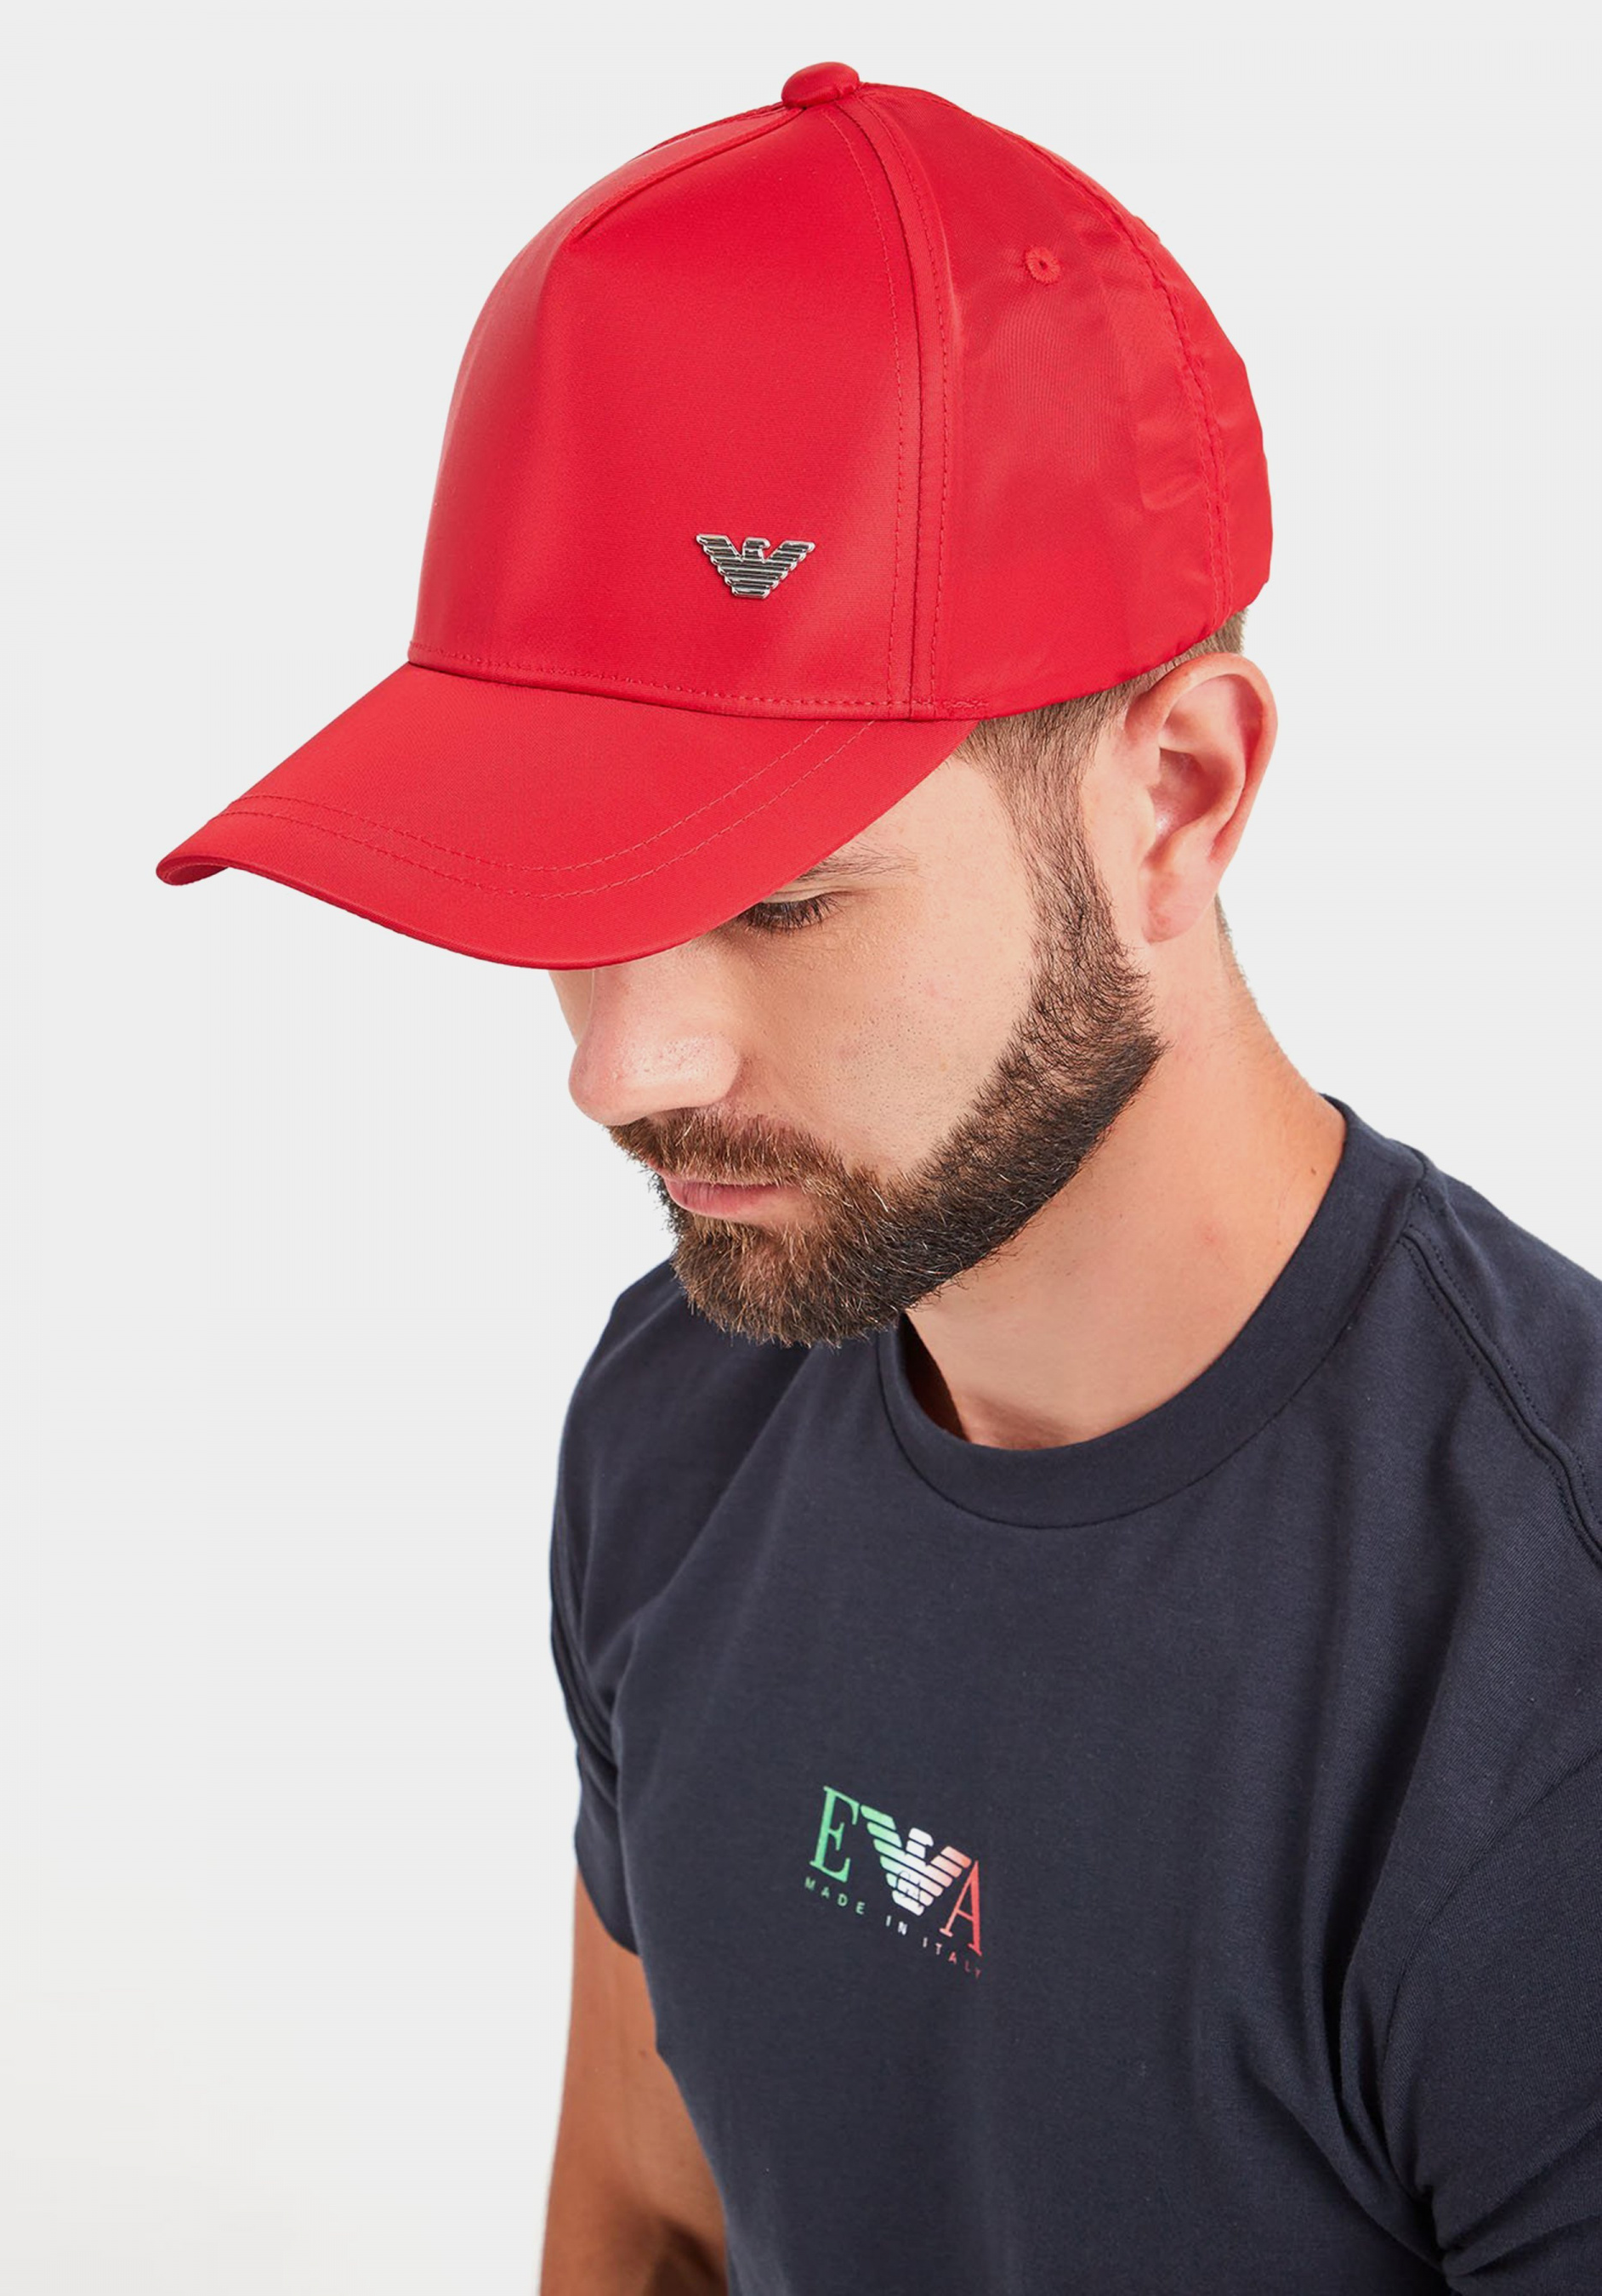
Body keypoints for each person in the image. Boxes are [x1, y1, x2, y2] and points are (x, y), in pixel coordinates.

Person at [155, 60, 1602, 2296]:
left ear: (1177, 796)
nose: (620, 1068)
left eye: (780, 899)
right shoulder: (681, 1414)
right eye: (578, 880)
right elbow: (652, 2213)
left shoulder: (1535, 1681)